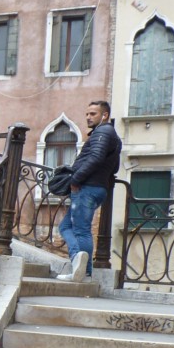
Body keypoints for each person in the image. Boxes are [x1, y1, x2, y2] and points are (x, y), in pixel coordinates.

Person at [57, 100, 122, 282]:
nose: (88, 117)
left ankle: (83, 271)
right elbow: (114, 167)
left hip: (86, 188)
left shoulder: (103, 132)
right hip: (98, 188)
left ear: (105, 115)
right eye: (87, 114)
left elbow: (96, 157)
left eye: (93, 114)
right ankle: (80, 263)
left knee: (81, 231)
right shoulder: (113, 136)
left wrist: (76, 180)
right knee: (65, 227)